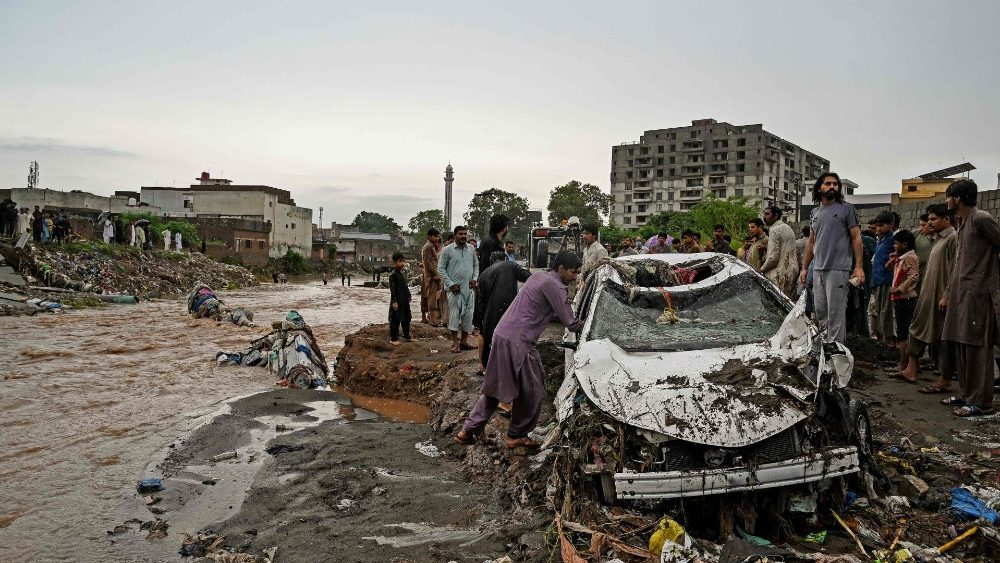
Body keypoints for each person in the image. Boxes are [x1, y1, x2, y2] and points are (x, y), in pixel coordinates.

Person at [453, 251, 584, 449]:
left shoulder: (538, 277)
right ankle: (516, 435)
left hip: (502, 333)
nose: (575, 277)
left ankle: (467, 431)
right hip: (519, 341)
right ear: (561, 269)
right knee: (534, 389)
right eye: (574, 272)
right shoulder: (556, 286)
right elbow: (571, 323)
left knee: (494, 388)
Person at [941, 179, 1000, 417]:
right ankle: (966, 395)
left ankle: (982, 402)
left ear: (957, 199)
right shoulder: (963, 222)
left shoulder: (981, 219)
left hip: (977, 295)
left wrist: (987, 278)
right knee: (962, 343)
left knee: (977, 347)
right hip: (960, 294)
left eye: (948, 197)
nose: (947, 201)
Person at [799, 172, 865, 345]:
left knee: (836, 315)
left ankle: (837, 356)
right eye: (828, 183)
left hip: (838, 269)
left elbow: (856, 238)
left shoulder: (846, 209)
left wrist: (859, 267)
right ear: (820, 187)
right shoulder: (815, 212)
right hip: (818, 269)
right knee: (820, 313)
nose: (832, 187)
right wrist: (805, 268)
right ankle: (824, 350)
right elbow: (812, 242)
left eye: (835, 184)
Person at [898, 204, 957, 390]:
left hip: (941, 296)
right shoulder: (937, 239)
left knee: (943, 339)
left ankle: (944, 380)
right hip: (928, 294)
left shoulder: (952, 239)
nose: (929, 222)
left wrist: (947, 295)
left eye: (933, 219)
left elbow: (955, 270)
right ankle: (910, 369)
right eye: (929, 219)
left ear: (946, 219)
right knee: (916, 329)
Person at [478, 251, 531, 369]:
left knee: (489, 341)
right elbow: (529, 278)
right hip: (509, 311)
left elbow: (481, 301)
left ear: (491, 261)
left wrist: (482, 319)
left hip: (489, 315)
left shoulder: (483, 274)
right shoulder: (511, 265)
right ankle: (509, 368)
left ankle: (487, 369)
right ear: (505, 259)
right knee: (510, 341)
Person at [438, 225, 479, 353]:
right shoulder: (447, 250)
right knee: (454, 316)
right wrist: (450, 284)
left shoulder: (471, 249)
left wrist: (474, 278)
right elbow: (441, 269)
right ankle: (455, 343)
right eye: (460, 234)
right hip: (454, 290)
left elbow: (476, 265)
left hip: (469, 288)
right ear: (455, 235)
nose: (463, 236)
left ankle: (464, 342)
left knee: (468, 315)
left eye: (465, 234)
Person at [886, 230, 919, 377]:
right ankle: (903, 364)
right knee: (901, 331)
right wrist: (893, 260)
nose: (894, 246)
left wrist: (899, 289)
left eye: (896, 243)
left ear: (904, 244)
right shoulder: (902, 257)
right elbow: (889, 268)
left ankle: (904, 365)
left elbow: (913, 276)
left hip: (906, 298)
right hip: (900, 298)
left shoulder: (910, 257)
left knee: (903, 333)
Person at [869, 212, 896, 346]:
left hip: (886, 280)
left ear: (890, 225)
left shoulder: (892, 240)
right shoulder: (881, 239)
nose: (878, 229)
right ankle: (884, 338)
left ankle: (889, 340)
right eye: (877, 226)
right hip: (878, 280)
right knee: (879, 310)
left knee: (885, 311)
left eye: (881, 226)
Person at [760, 206, 798, 298]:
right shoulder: (788, 228)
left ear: (775, 215)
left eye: (767, 214)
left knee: (778, 306)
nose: (764, 217)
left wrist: (760, 271)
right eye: (764, 214)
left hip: (780, 273)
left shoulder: (774, 230)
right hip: (792, 271)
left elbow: (773, 258)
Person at [388, 252, 412, 346]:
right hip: (397, 300)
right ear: (395, 262)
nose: (402, 263)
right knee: (395, 319)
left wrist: (409, 296)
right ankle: (393, 339)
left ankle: (407, 336)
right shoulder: (393, 274)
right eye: (400, 261)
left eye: (403, 261)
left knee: (407, 317)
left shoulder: (402, 273)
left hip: (404, 299)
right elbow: (392, 289)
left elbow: (405, 286)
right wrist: (394, 302)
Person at [420, 228, 442, 325]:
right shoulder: (428, 247)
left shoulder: (430, 246)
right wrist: (435, 274)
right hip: (431, 276)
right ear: (430, 236)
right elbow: (429, 263)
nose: (437, 238)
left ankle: (429, 318)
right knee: (432, 297)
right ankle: (433, 320)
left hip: (429, 275)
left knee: (428, 296)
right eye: (436, 236)